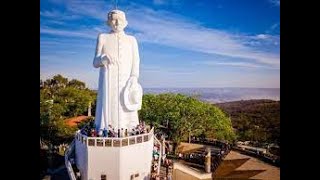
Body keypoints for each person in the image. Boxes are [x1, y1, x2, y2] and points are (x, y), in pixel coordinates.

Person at [93, 9, 142, 133]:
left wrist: (134, 77)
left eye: (119, 20)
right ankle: (107, 131)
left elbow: (136, 60)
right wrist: (103, 58)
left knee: (126, 106)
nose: (116, 23)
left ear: (125, 22)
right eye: (113, 20)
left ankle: (130, 130)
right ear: (109, 22)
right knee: (109, 107)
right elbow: (95, 62)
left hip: (127, 81)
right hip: (108, 80)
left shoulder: (132, 40)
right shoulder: (103, 37)